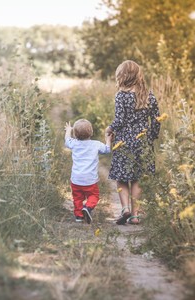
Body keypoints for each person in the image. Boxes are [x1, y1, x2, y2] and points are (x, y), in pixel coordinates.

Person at [105, 60, 161, 225]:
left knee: (122, 177)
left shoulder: (121, 95)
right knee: (137, 178)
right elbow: (156, 119)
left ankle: (125, 209)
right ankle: (135, 215)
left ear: (122, 76)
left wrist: (109, 129)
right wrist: (151, 136)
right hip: (143, 142)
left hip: (124, 142)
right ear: (138, 75)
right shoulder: (148, 94)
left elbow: (120, 120)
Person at [65, 119, 112, 224]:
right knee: (94, 195)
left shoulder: (74, 143)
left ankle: (78, 216)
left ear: (75, 135)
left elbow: (67, 140)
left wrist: (68, 130)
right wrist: (108, 139)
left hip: (76, 179)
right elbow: (107, 150)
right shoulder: (95, 144)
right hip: (90, 179)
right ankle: (88, 207)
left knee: (77, 198)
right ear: (91, 132)